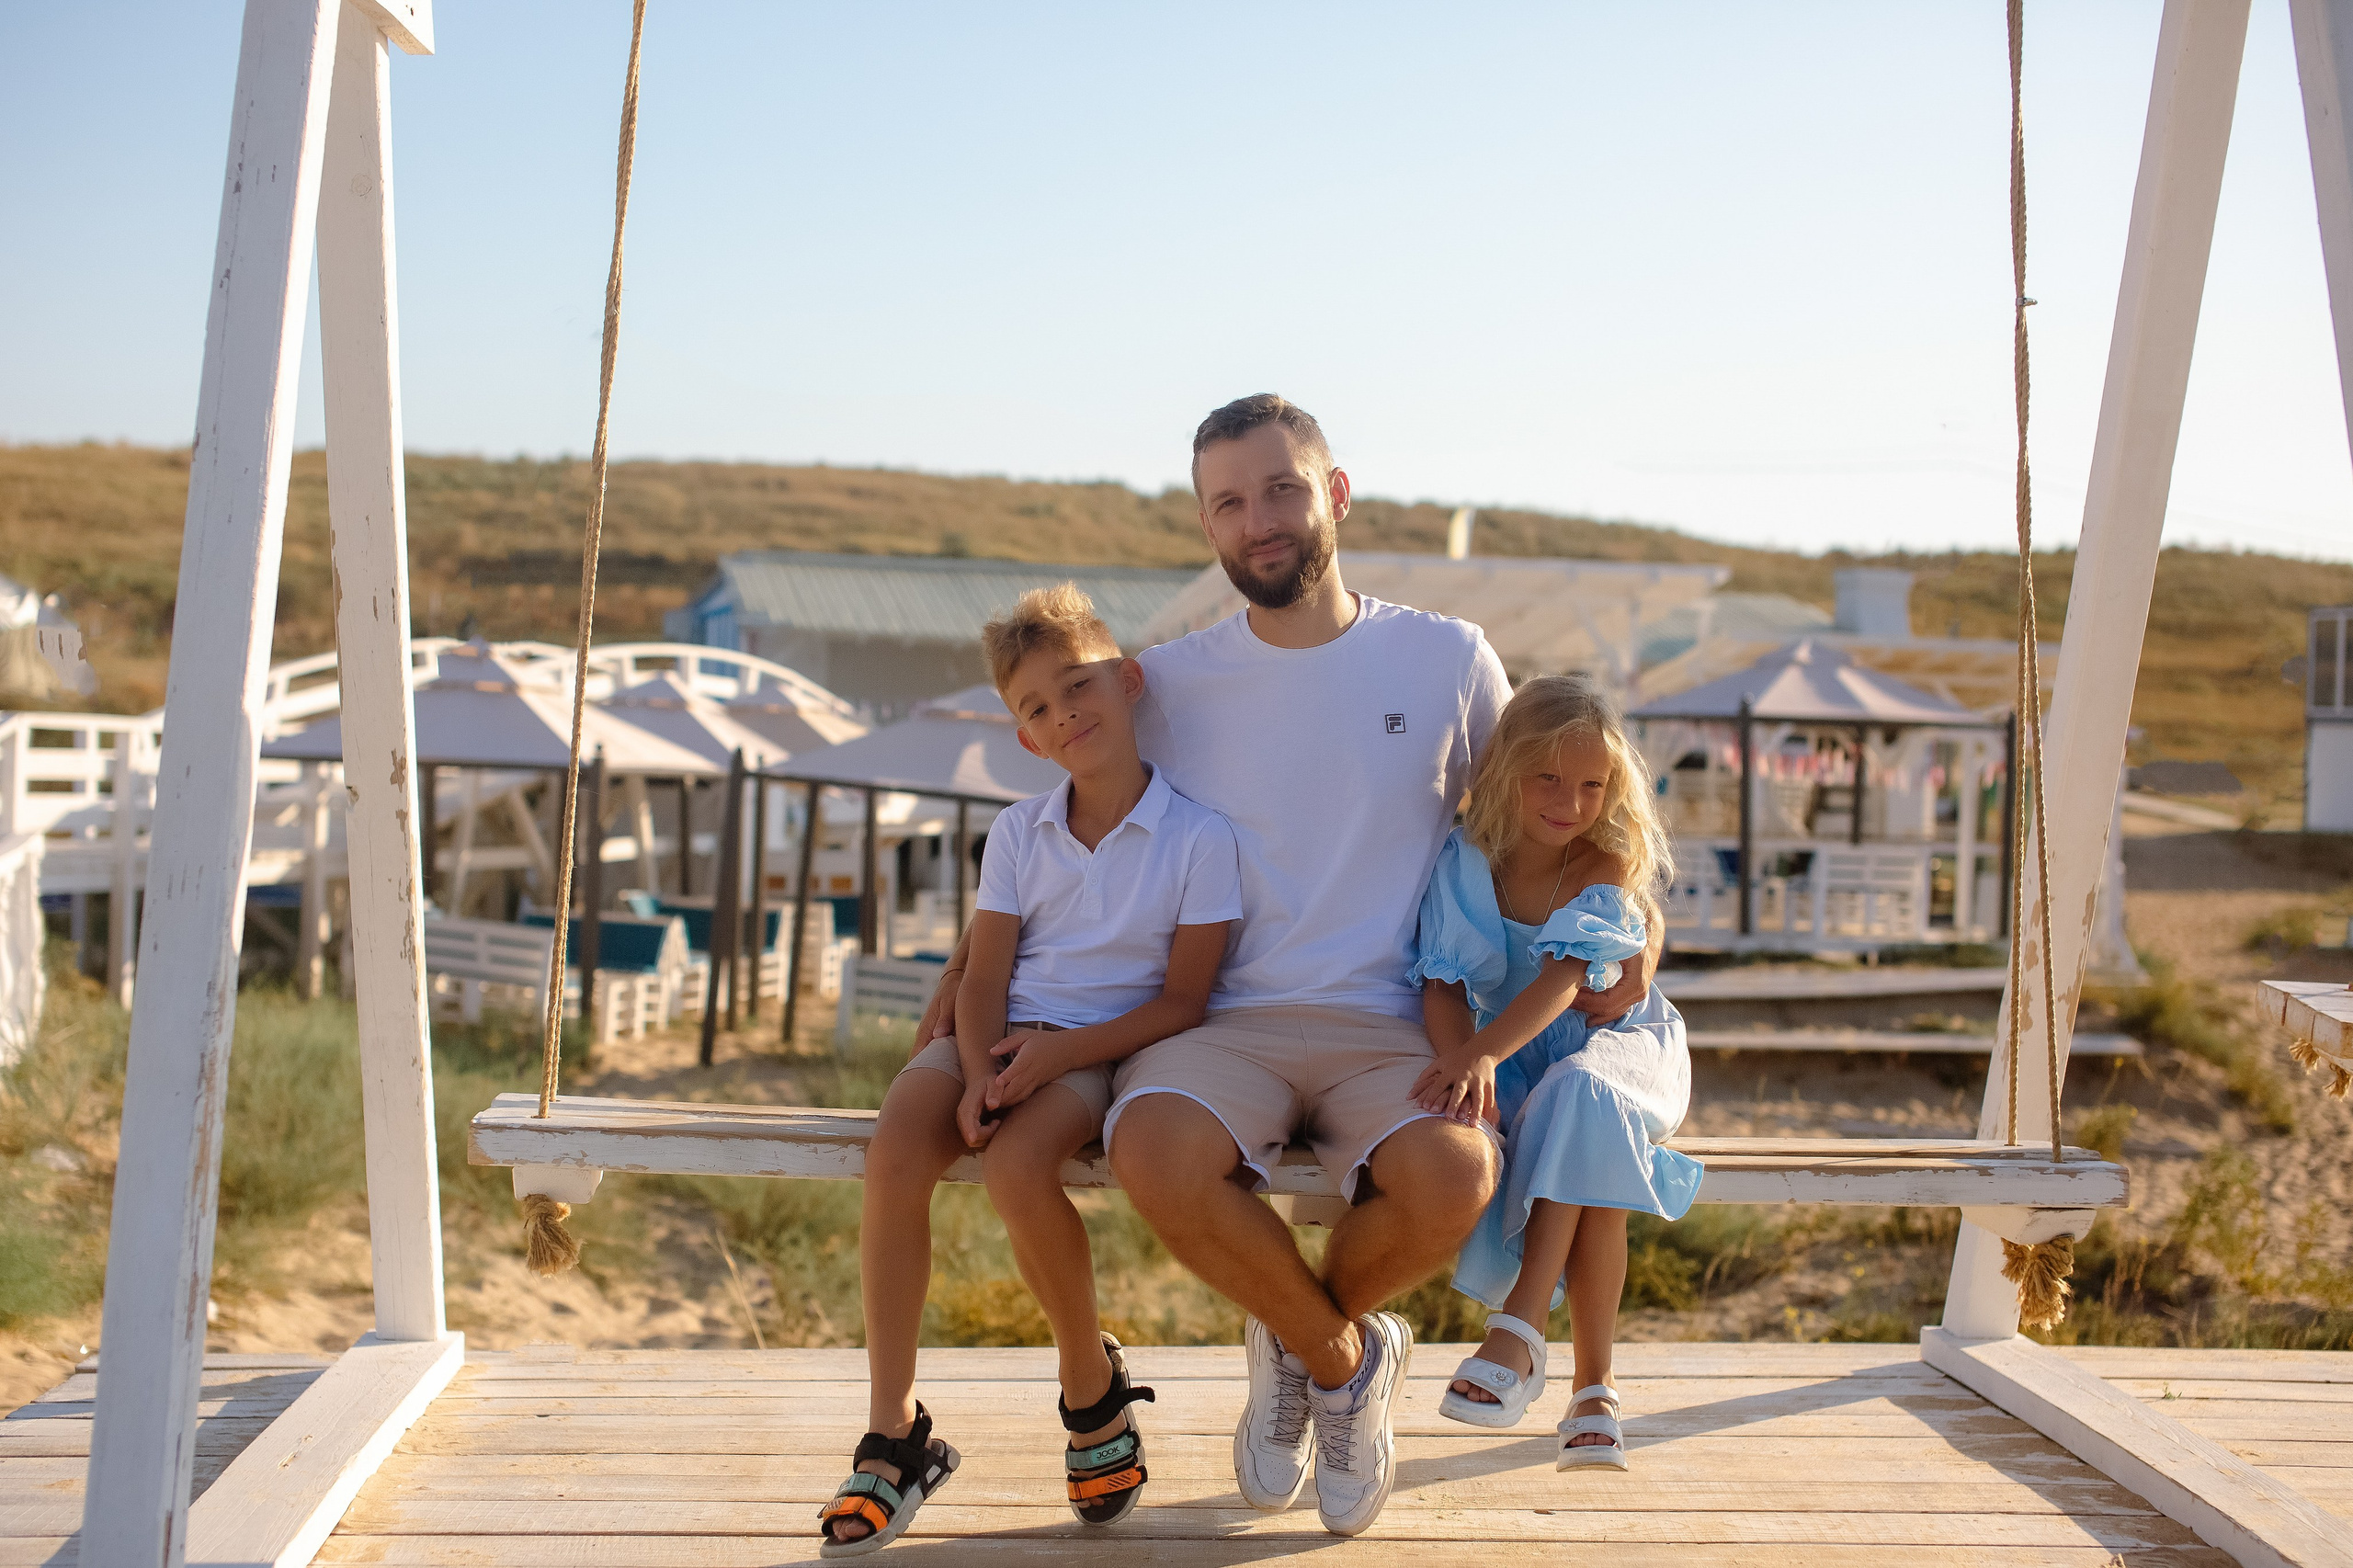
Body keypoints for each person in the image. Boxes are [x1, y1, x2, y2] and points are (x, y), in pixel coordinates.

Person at [915, 395, 1663, 1536]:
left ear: (1334, 495)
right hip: (1221, 1019)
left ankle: (1292, 1333)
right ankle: (1342, 1356)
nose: (1257, 520)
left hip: (1393, 1019)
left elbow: (1547, 813)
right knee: (1152, 1150)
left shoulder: (1447, 657)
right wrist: (951, 999)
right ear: (1207, 527)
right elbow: (1058, 824)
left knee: (1455, 1178)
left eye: (1279, 489)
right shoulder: (1159, 680)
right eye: (1228, 502)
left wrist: (1637, 933)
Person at [819, 585, 1242, 1557]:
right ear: (1025, 738)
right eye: (1038, 708)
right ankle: (895, 1429)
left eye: (1078, 686)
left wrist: (1058, 1053)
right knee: (894, 1149)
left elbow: (1184, 1001)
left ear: (1126, 681)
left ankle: (1089, 1384)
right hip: (997, 1037)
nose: (1064, 714)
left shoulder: (1196, 837)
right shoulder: (1017, 832)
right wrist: (972, 1073)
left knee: (1016, 1166)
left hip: (1096, 1048)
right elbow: (984, 975)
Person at [1409, 674, 1699, 1470]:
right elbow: (1442, 981)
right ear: (1506, 769)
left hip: (1624, 1048)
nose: (1569, 801)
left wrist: (1485, 1054)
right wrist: (1460, 1062)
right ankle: (1594, 1395)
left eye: (1591, 784)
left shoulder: (1599, 860)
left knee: (1586, 1093)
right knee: (1588, 1149)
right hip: (1522, 1054)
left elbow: (1565, 977)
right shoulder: (1465, 859)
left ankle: (1520, 1323)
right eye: (1548, 778)